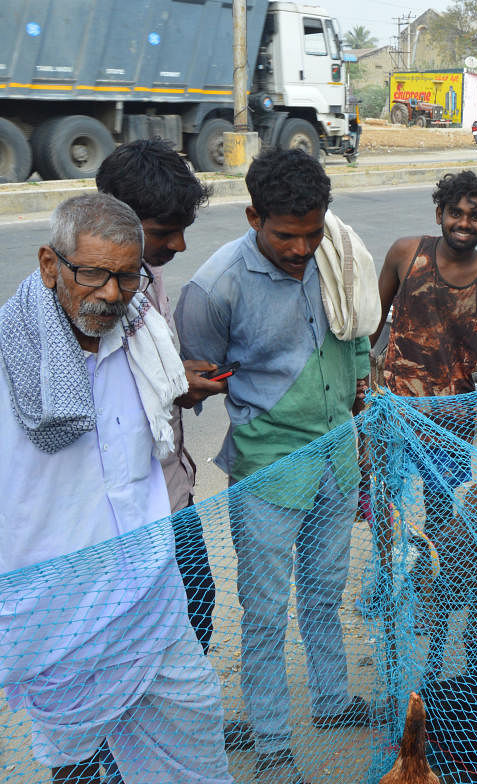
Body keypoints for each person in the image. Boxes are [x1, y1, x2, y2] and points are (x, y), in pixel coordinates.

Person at [0, 194, 232, 784]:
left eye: (128, 276)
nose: (111, 293)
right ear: (51, 266)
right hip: (58, 624)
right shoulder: (10, 359)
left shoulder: (143, 337)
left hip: (152, 599)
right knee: (79, 768)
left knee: (195, 738)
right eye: (93, 273)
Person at [175, 149, 373, 784]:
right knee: (263, 610)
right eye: (286, 235)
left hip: (338, 456)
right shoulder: (215, 285)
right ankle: (270, 738)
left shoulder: (338, 254)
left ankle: (333, 702)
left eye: (312, 232)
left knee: (324, 592)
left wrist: (360, 396)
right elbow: (192, 375)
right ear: (253, 215)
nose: (301, 248)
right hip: (268, 465)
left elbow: (358, 330)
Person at [95, 140, 224, 658]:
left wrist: (178, 377)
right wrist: (175, 385)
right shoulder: (86, 298)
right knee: (128, 635)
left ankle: (177, 725)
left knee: (195, 602)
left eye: (183, 229)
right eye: (165, 232)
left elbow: (150, 366)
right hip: (124, 504)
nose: (180, 245)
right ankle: (125, 738)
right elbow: (91, 403)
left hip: (173, 483)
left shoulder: (150, 275)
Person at [371, 171, 477, 602]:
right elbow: (372, 326)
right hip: (393, 411)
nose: (464, 223)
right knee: (385, 504)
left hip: (452, 421)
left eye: (476, 216)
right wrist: (361, 380)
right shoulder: (406, 254)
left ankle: (432, 586)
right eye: (455, 213)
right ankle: (385, 582)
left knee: (443, 509)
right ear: (439, 214)